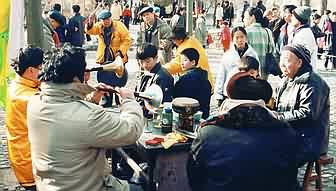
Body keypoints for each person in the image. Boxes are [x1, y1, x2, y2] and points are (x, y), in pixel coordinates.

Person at [27, 47, 144, 191]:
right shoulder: (89, 116)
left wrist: (89, 101)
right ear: (76, 79)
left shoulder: (34, 102)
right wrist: (129, 101)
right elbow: (131, 131)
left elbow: (69, 122)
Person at [188, 71, 299, 191]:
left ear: (230, 100)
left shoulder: (208, 134)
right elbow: (290, 178)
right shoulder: (286, 133)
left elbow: (195, 177)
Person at [275, 44, 330, 167]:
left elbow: (307, 114)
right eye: (281, 60)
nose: (282, 64)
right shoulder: (286, 80)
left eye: (287, 60)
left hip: (308, 140)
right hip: (290, 134)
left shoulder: (313, 83)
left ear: (299, 63)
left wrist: (278, 117)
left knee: (274, 156)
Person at [5, 47, 44, 191]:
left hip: (26, 157)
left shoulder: (20, 84)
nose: (44, 70)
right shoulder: (26, 97)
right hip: (30, 162)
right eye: (41, 67)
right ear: (31, 70)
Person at [86, 9, 131, 107]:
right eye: (103, 20)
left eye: (107, 19)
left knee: (118, 79)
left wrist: (120, 52)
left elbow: (127, 40)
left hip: (117, 57)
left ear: (110, 18)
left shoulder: (119, 26)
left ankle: (119, 99)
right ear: (100, 20)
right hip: (105, 57)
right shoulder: (99, 26)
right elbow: (90, 31)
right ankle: (107, 99)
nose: (106, 21)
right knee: (105, 79)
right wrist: (89, 23)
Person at [215, 26, 259, 107]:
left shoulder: (253, 54)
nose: (240, 40)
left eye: (242, 37)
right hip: (230, 93)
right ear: (233, 39)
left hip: (248, 93)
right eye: (237, 37)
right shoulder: (228, 55)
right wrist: (219, 95)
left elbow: (258, 73)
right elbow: (221, 75)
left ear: (246, 38)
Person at [164, 27, 214, 92]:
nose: (173, 42)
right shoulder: (192, 40)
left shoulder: (185, 47)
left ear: (180, 39)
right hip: (205, 79)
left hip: (196, 84)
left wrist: (161, 69)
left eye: (174, 39)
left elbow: (175, 65)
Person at [135, 43, 174, 116]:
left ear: (156, 58)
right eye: (141, 62)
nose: (144, 65)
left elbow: (161, 104)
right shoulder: (146, 73)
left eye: (147, 61)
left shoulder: (162, 77)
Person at [172, 48, 211, 118]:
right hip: (203, 115)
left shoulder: (185, 79)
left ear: (193, 62)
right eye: (181, 61)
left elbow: (175, 95)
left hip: (188, 115)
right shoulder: (204, 77)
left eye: (185, 60)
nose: (182, 63)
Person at [244, 7, 275, 80]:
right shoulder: (268, 32)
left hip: (249, 73)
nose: (244, 19)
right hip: (264, 73)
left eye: (245, 17)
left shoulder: (245, 32)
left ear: (253, 17)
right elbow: (272, 50)